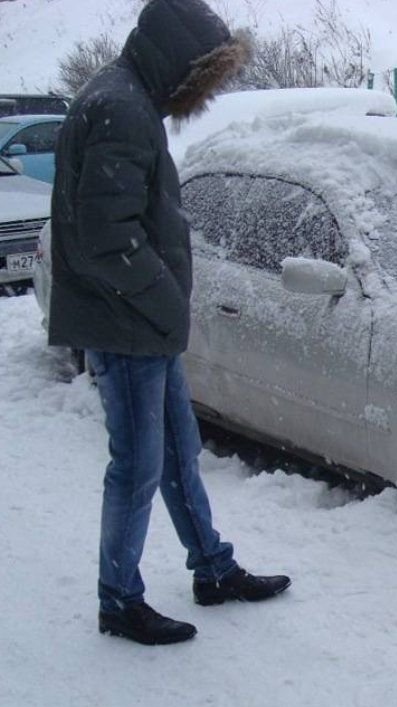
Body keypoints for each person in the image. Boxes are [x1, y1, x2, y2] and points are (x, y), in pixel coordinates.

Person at [49, 0, 290, 645]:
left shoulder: (122, 94)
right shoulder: (124, 109)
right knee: (136, 466)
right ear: (177, 62)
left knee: (180, 453)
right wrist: (164, 300)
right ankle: (119, 599)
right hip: (126, 323)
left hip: (138, 322)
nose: (205, 93)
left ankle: (212, 567)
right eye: (203, 78)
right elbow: (106, 236)